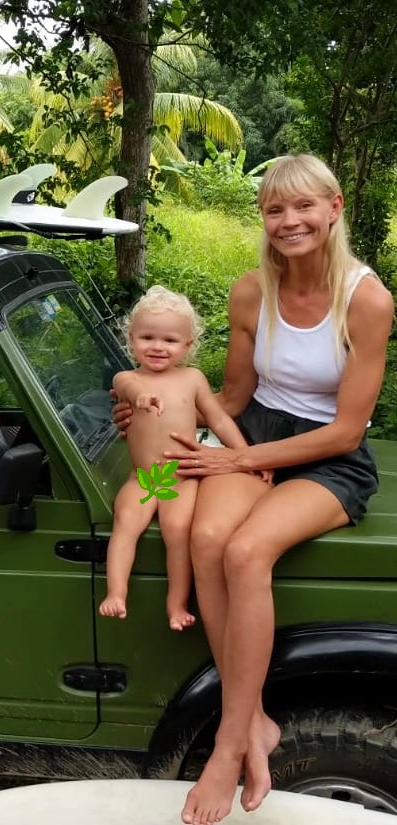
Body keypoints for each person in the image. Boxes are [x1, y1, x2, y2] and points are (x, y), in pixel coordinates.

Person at [116, 155, 393, 825]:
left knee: (246, 553)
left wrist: (244, 462)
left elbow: (346, 430)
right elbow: (234, 396)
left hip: (329, 455)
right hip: (255, 436)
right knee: (208, 536)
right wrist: (152, 405)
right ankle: (258, 722)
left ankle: (229, 744)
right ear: (263, 218)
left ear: (333, 207)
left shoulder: (368, 299)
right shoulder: (249, 292)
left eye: (303, 206)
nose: (289, 221)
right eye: (274, 209)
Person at [100, 286, 266, 632]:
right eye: (147, 337)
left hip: (181, 477)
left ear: (188, 345)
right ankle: (116, 592)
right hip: (143, 479)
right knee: (126, 523)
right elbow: (130, 391)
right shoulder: (127, 378)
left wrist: (244, 456)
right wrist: (143, 397)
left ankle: (176, 603)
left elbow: (219, 419)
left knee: (178, 532)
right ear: (131, 339)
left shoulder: (192, 379)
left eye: (170, 340)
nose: (158, 347)